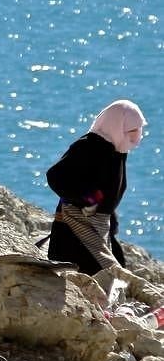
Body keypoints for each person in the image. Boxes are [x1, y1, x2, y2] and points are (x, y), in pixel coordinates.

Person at [45, 99, 147, 275]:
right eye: (132, 131)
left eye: (138, 130)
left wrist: (110, 218)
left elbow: (108, 193)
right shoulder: (88, 147)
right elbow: (55, 176)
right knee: (97, 274)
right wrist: (89, 198)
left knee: (115, 272)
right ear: (117, 126)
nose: (137, 136)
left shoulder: (117, 150)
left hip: (99, 224)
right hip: (75, 229)